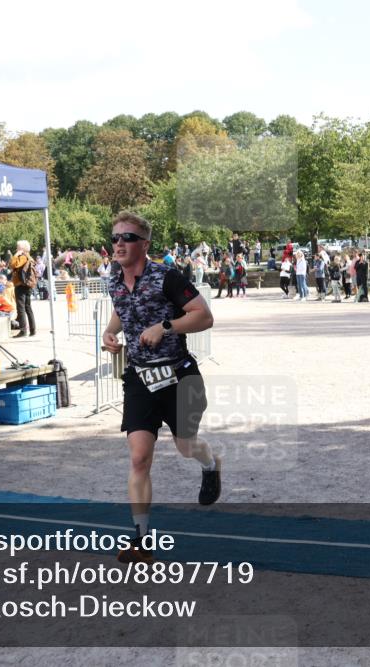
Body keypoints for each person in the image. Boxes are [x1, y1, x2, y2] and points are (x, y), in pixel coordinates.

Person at [100, 212, 219, 564]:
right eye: (115, 238)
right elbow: (122, 310)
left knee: (186, 447)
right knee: (139, 457)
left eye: (128, 238)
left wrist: (165, 326)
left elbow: (204, 315)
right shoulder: (114, 280)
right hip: (140, 378)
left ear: (145, 244)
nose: (119, 243)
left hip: (180, 377)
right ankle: (141, 540)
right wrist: (110, 332)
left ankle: (211, 465)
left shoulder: (167, 277)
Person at [10, 240, 37, 338]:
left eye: (17, 247)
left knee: (21, 308)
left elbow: (13, 265)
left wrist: (15, 255)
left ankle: (23, 331)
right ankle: (33, 330)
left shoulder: (22, 257)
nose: (16, 249)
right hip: (28, 285)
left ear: (21, 249)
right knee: (28, 307)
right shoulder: (30, 257)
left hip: (21, 284)